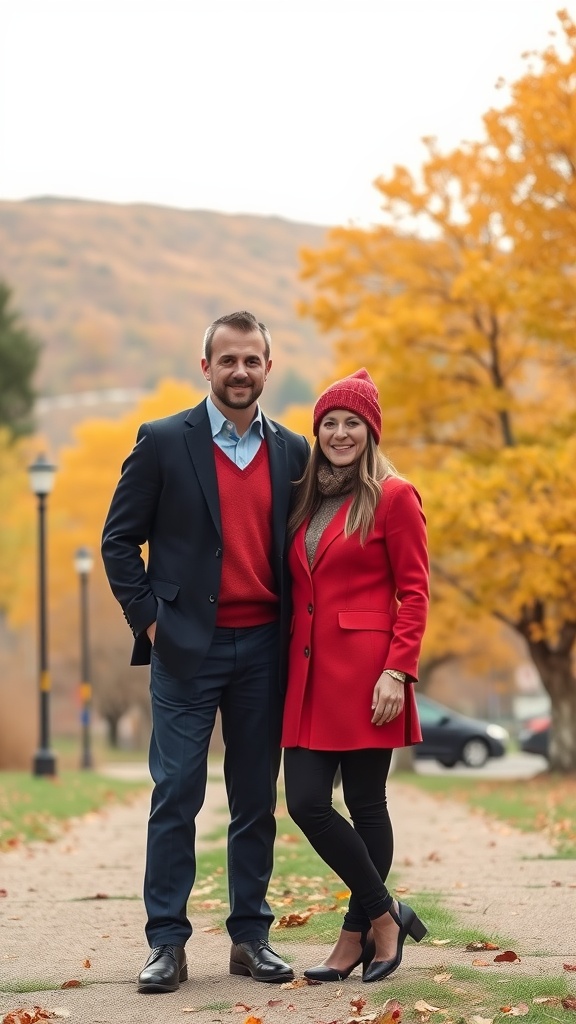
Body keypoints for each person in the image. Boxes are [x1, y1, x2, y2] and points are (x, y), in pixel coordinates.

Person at [101, 311, 310, 993]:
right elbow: (118, 541)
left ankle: (250, 939)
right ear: (207, 367)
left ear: (268, 369)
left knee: (255, 799)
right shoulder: (163, 441)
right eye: (228, 360)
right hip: (187, 649)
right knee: (177, 792)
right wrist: (153, 624)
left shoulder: (294, 452)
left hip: (266, 650)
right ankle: (167, 944)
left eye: (253, 361)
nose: (241, 372)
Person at [281, 368, 430, 984]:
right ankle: (385, 913)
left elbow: (416, 592)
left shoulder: (395, 496)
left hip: (371, 675)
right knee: (307, 803)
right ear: (317, 432)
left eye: (352, 423)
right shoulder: (306, 497)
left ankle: (356, 939)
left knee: (367, 806)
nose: (340, 433)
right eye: (329, 423)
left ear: (371, 432)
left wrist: (398, 670)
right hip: (309, 675)